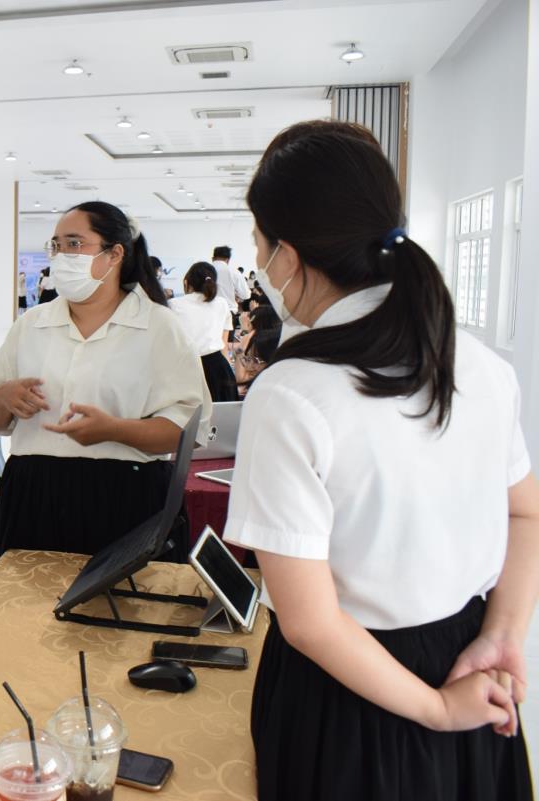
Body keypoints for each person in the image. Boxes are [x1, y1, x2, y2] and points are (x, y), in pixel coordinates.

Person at [223, 121, 537, 801]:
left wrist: (437, 709)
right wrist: (502, 635)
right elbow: (527, 512)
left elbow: (311, 622)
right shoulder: (479, 363)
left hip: (349, 694)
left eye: (258, 243)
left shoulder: (291, 392)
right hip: (470, 663)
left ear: (286, 255)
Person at [0, 201, 209, 566]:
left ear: (115, 254)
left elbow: (188, 429)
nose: (61, 255)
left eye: (74, 243)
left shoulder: (159, 327)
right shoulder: (32, 324)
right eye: (56, 245)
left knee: (123, 601)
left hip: (128, 498)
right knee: (28, 601)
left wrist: (114, 430)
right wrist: (2, 399)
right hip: (33, 497)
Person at [169, 262, 237, 402]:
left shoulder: (174, 304)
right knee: (221, 413)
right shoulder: (222, 304)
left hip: (185, 368)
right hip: (218, 368)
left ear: (187, 282)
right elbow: (223, 346)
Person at [211, 245, 250, 324]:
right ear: (228, 260)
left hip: (207, 312)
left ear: (213, 258)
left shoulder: (204, 270)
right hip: (228, 313)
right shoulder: (234, 272)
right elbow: (246, 295)